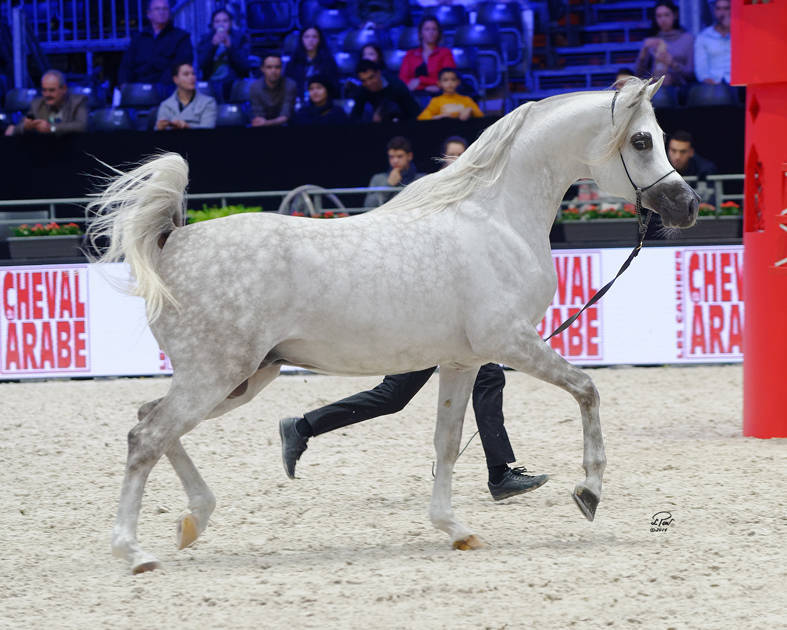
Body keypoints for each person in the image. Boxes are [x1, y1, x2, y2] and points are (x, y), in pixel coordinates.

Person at [279, 362, 550, 500]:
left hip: (445, 326)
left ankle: (499, 473)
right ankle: (302, 427)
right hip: (435, 327)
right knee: (392, 396)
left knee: (487, 375)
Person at [118, 0, 193, 88]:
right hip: (139, 88)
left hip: (168, 88)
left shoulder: (181, 37)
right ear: (149, 14)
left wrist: (158, 88)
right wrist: (124, 85)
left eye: (165, 9)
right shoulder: (138, 38)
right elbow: (126, 65)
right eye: (157, 9)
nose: (161, 12)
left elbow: (182, 65)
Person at [5, 70, 87, 136]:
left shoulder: (78, 102)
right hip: (44, 151)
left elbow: (82, 126)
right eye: (44, 90)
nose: (47, 94)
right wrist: (25, 127)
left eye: (52, 90)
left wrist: (51, 128)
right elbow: (23, 125)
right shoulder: (36, 105)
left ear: (64, 89)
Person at [634, 0, 693, 86]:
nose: (663, 19)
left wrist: (672, 63)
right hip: (654, 86)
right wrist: (644, 51)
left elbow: (691, 74)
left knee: (666, 80)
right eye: (659, 16)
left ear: (675, 15)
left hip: (680, 88)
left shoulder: (687, 39)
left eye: (666, 15)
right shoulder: (652, 40)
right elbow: (638, 75)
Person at [196, 8, 250, 101]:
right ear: (213, 24)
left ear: (230, 23)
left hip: (234, 81)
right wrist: (212, 46)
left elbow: (244, 66)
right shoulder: (206, 39)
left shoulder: (240, 38)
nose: (221, 24)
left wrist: (230, 47)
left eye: (225, 21)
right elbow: (201, 64)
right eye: (217, 21)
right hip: (211, 81)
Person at [350, 59, 421, 123]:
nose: (368, 83)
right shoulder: (362, 90)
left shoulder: (397, 86)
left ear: (378, 73)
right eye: (363, 80)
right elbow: (355, 117)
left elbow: (414, 113)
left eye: (371, 77)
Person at [399, 16, 456, 95]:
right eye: (427, 29)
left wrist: (420, 80)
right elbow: (403, 80)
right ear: (421, 33)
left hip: (440, 94)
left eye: (434, 29)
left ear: (438, 33)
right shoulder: (410, 54)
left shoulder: (445, 53)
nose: (431, 32)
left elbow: (449, 79)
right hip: (414, 96)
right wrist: (425, 88)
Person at [363, 135, 423, 207]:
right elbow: (368, 206)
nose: (395, 161)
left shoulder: (421, 179)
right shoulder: (378, 178)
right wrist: (389, 185)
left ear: (409, 156)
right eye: (391, 157)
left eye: (399, 156)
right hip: (385, 217)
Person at [285, 25, 339, 102]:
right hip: (298, 101)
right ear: (301, 39)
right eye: (307, 37)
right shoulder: (293, 62)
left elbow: (333, 86)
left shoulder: (328, 62)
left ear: (320, 39)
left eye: (314, 37)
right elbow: (288, 86)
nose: (310, 40)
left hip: (323, 101)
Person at [155, 62, 217, 130]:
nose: (192, 77)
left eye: (193, 74)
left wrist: (187, 127)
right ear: (176, 79)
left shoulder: (208, 102)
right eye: (186, 74)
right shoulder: (165, 105)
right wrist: (160, 128)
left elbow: (208, 129)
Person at [249, 54, 297, 127]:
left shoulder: (290, 85)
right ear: (262, 69)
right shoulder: (255, 87)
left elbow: (286, 115)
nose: (273, 71)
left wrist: (266, 123)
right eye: (269, 67)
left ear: (281, 69)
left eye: (277, 67)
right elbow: (258, 116)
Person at [417, 67, 483, 121]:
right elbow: (421, 118)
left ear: (458, 82)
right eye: (445, 80)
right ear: (439, 84)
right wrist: (439, 117)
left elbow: (481, 116)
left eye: (453, 80)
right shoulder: (436, 101)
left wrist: (470, 110)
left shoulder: (466, 99)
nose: (450, 83)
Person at [694, 0, 731, 85]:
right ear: (714, 11)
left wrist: (731, 29)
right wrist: (712, 84)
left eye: (726, 8)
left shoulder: (740, 35)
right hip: (712, 85)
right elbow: (701, 71)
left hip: (739, 85)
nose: (722, 13)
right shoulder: (703, 37)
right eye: (719, 9)